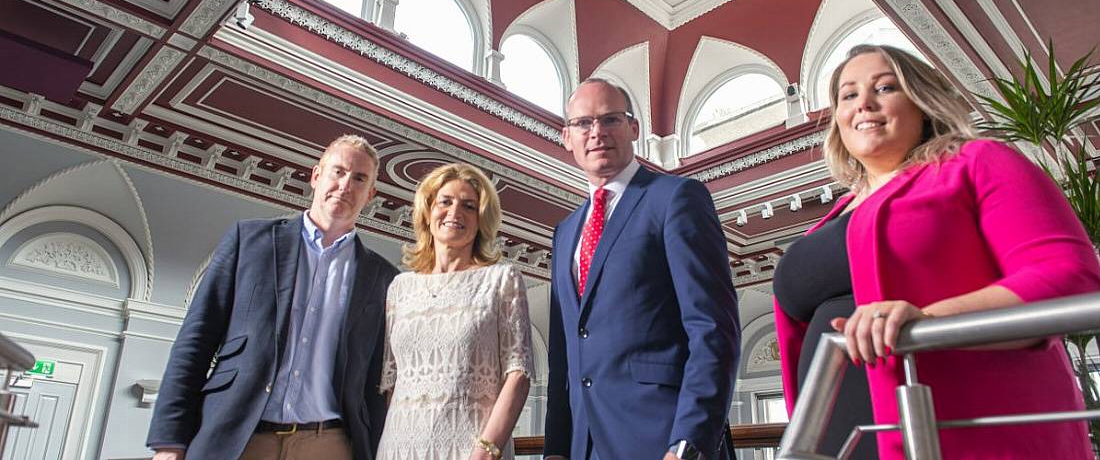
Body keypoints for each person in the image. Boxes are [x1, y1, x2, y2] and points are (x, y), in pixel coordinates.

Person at [774, 44, 1100, 459]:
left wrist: (926, 321)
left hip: (950, 430)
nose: (864, 104)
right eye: (848, 95)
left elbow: (1067, 276)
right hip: (835, 437)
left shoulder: (978, 161)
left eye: (886, 87)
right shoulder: (836, 214)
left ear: (922, 101)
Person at [147, 135, 399, 460]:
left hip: (329, 444)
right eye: (338, 171)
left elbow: (374, 383)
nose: (345, 185)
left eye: (359, 178)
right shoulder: (250, 241)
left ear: (370, 194)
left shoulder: (383, 277)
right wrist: (169, 442)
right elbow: (195, 341)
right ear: (316, 176)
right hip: (239, 437)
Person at [543, 78, 741, 460]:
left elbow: (713, 328)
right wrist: (556, 448)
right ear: (567, 137)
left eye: (610, 120)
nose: (597, 132)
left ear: (633, 129)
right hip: (585, 445)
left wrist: (688, 442)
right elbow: (563, 353)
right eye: (584, 123)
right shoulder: (565, 232)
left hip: (662, 437)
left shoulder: (675, 198)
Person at [376, 162, 533, 460]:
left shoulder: (502, 280)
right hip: (399, 449)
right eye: (445, 202)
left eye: (469, 206)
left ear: (481, 219)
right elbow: (393, 383)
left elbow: (519, 375)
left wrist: (487, 451)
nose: (455, 212)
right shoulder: (400, 287)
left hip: (470, 451)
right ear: (428, 211)